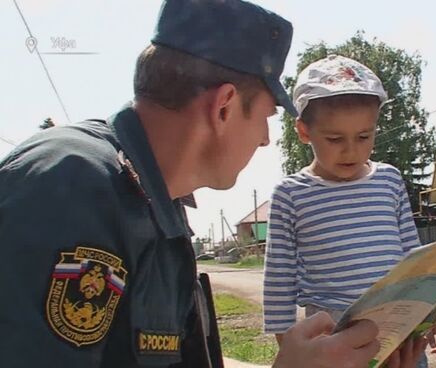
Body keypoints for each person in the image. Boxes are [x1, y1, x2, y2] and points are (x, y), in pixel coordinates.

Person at [0, 1, 383, 367]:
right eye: (266, 115)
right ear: (224, 108)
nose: (265, 138)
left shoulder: (156, 209)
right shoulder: (73, 186)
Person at [262, 55, 436, 368]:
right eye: (334, 138)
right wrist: (290, 351)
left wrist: (431, 315)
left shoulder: (389, 180)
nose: (351, 150)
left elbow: (415, 261)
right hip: (334, 346)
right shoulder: (291, 194)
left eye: (364, 136)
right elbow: (279, 279)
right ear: (303, 131)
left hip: (400, 338)